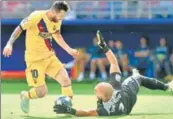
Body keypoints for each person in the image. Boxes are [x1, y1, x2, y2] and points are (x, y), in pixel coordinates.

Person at [53, 30, 173, 116]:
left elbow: (87, 113)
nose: (95, 92)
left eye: (96, 91)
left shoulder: (106, 110)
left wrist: (70, 111)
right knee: (137, 77)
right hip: (128, 95)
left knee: (135, 76)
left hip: (125, 107)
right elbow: (114, 63)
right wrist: (105, 47)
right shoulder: (115, 86)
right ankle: (167, 87)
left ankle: (141, 75)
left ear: (103, 97)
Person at [3, 1, 79, 114]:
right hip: (34, 60)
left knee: (66, 80)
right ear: (53, 11)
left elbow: (57, 35)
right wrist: (9, 43)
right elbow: (19, 28)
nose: (62, 18)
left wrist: (69, 50)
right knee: (41, 92)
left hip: (50, 57)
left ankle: (66, 108)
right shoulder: (36, 16)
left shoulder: (57, 20)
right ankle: (25, 95)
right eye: (61, 15)